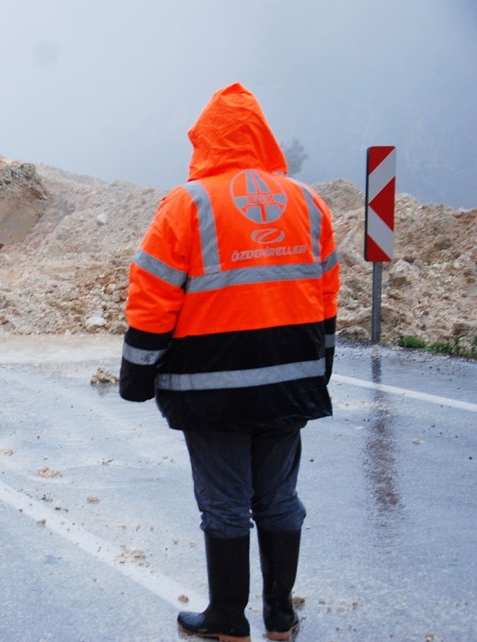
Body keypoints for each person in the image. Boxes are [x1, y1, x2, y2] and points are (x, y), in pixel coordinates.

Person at [119, 83, 339, 641]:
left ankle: (228, 619)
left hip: (212, 387)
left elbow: (154, 298)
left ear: (207, 139)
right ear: (260, 135)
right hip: (290, 380)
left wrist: (137, 375)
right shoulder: (308, 202)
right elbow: (326, 294)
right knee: (279, 497)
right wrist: (321, 364)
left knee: (225, 503)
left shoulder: (187, 205)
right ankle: (281, 617)